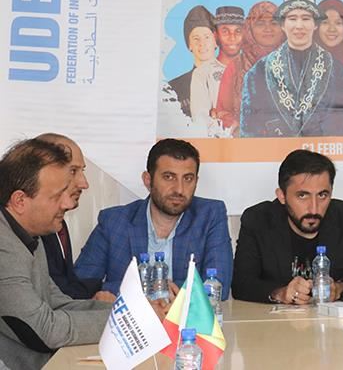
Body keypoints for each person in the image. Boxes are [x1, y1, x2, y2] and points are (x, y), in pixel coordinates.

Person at [232, 149, 343, 369]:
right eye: (302, 196)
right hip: (275, 336)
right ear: (282, 195)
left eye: (322, 195)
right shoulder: (258, 220)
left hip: (340, 336)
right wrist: (281, 293)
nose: (314, 208)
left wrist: (340, 288)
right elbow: (241, 283)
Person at [0, 138, 112, 369]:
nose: (68, 204)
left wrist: (130, 312)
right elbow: (46, 331)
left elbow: (58, 304)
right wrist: (127, 321)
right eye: (57, 196)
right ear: (20, 200)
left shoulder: (29, 234)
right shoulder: (4, 246)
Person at [75, 139, 233, 299]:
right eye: (169, 177)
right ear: (148, 180)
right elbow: (81, 285)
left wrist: (141, 289)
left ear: (196, 181)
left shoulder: (210, 215)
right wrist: (159, 289)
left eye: (187, 179)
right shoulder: (114, 222)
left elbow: (219, 286)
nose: (179, 189)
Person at [239, 0, 343, 137]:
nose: (299, 26)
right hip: (275, 152)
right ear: (283, 24)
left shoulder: (339, 73)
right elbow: (249, 136)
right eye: (292, 19)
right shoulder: (257, 74)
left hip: (322, 151)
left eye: (306, 19)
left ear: (315, 24)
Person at [36, 133, 112, 301]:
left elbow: (67, 286)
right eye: (73, 171)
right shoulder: (27, 228)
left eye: (81, 171)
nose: (84, 183)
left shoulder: (58, 222)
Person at [215, 1, 286, 132]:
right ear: (249, 28)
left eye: (274, 23)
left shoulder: (294, 63)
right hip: (245, 140)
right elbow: (223, 112)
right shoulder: (236, 67)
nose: (268, 29)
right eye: (260, 23)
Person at [168, 5, 218, 117]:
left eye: (207, 37)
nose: (202, 43)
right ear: (189, 45)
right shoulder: (173, 88)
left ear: (216, 41)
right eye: (196, 38)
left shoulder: (233, 79)